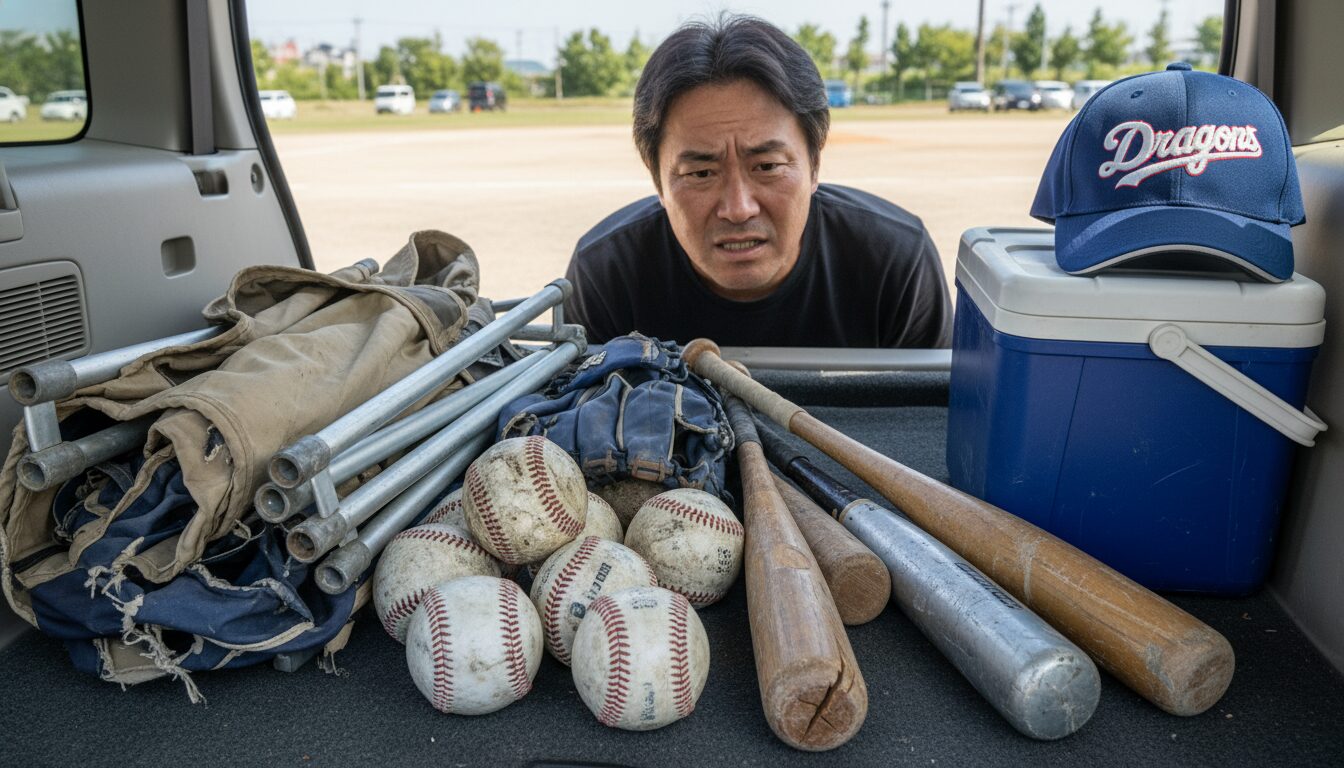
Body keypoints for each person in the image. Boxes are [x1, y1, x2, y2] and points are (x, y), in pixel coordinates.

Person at [563, 15, 953, 348]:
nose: (738, 208)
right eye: (701, 173)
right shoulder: (607, 275)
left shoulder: (894, 263)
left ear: (815, 165)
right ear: (658, 181)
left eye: (766, 166)